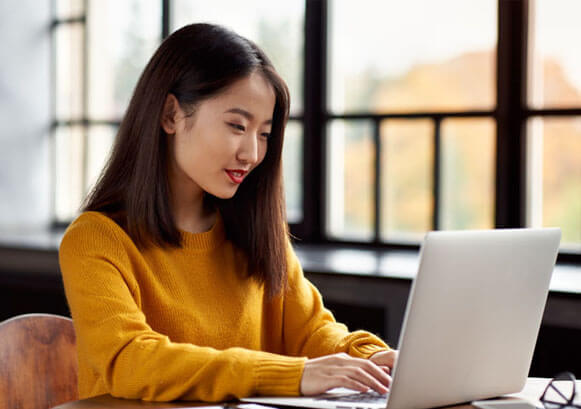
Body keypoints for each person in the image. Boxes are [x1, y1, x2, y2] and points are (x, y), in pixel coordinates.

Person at [59, 23, 397, 403]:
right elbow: (130, 360)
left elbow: (314, 333)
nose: (251, 154)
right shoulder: (94, 240)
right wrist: (291, 373)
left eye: (265, 133)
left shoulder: (254, 233)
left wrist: (373, 360)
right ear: (171, 115)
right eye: (237, 126)